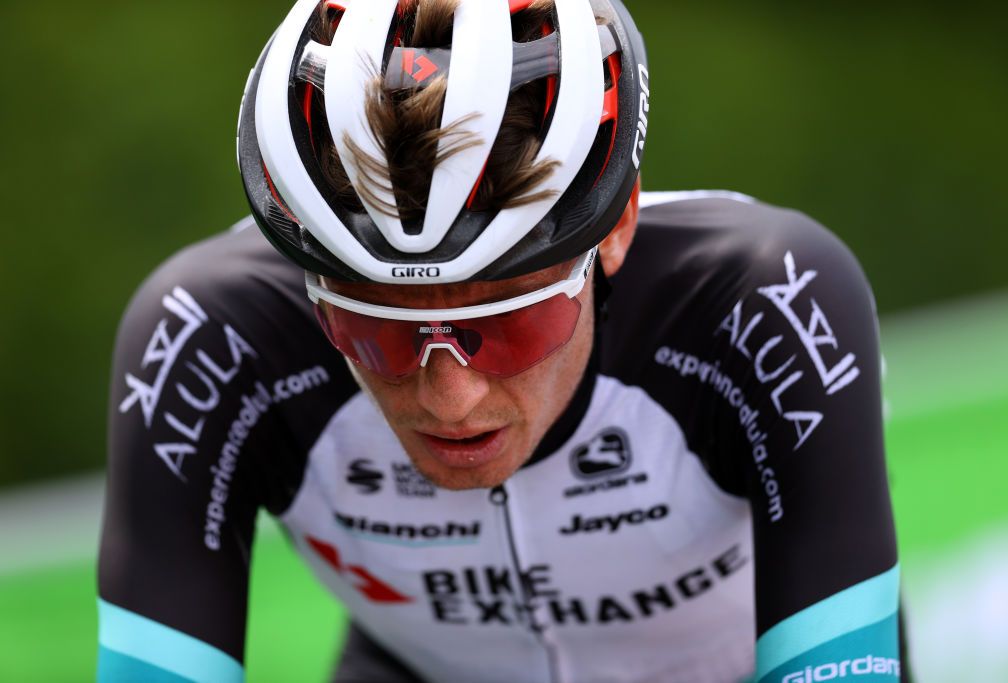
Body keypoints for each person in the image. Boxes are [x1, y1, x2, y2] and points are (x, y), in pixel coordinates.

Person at [97, 0, 909, 681]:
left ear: (615, 225)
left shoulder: (764, 304)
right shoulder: (212, 337)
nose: (451, 397)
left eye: (511, 320)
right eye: (375, 329)